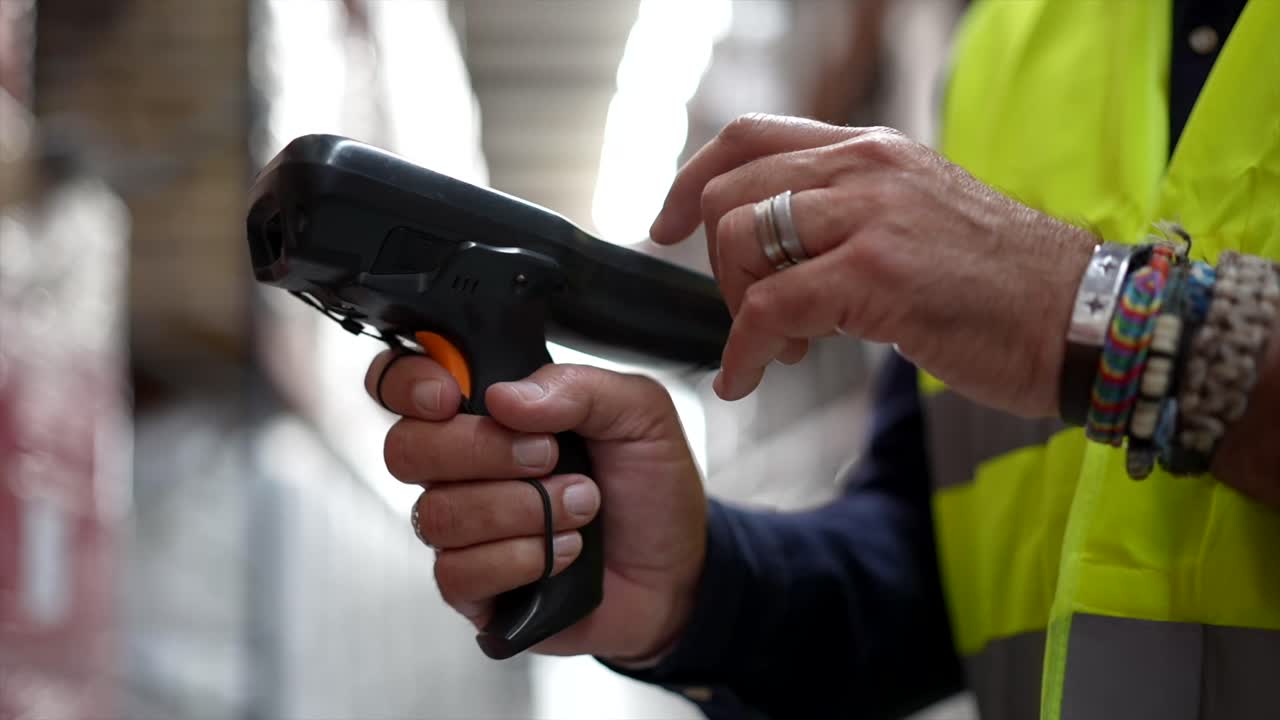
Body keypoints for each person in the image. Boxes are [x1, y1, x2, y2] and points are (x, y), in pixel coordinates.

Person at [365, 1, 1280, 718]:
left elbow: (1077, 323)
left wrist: (1113, 322)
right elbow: (927, 564)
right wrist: (701, 583)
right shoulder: (1010, 36)